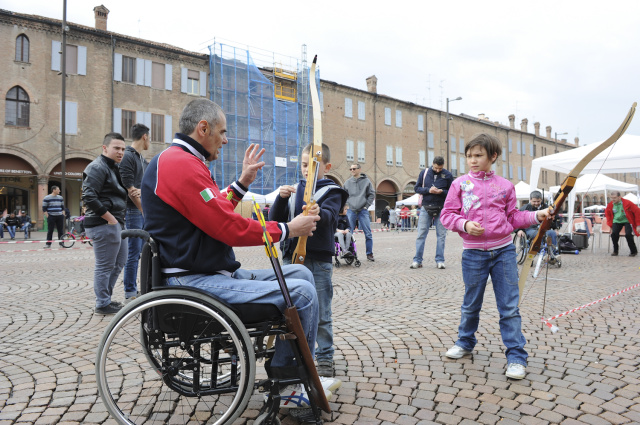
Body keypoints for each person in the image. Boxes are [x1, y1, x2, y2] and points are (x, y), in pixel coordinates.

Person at [141, 99, 341, 407]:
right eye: (221, 132)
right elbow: (226, 226)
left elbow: (215, 208)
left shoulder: (182, 161)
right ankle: (290, 386)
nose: (225, 139)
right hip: (194, 279)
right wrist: (288, 229)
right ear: (202, 128)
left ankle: (295, 372)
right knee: (301, 293)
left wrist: (243, 181)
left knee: (300, 273)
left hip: (204, 270)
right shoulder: (179, 164)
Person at [440, 133, 552, 380]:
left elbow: (513, 217)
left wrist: (537, 216)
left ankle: (516, 357)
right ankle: (465, 342)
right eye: (469, 156)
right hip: (473, 254)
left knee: (509, 307)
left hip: (504, 251)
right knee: (471, 304)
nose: (472, 160)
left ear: (493, 156)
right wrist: (465, 224)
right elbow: (446, 215)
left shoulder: (505, 186)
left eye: (478, 155)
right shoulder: (459, 184)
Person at [269, 142, 347, 378]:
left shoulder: (332, 191)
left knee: (322, 312)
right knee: (290, 311)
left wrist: (318, 212)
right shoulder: (294, 189)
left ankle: (324, 357)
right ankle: (296, 355)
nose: (307, 170)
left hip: (318, 260)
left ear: (327, 167)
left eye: (313, 166)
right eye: (304, 165)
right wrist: (281, 199)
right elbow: (275, 219)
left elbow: (331, 216)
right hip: (292, 258)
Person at [82, 133, 130, 315]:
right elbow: (88, 196)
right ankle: (102, 303)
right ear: (105, 148)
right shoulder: (97, 167)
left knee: (119, 262)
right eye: (116, 148)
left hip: (116, 222)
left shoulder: (113, 167)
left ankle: (106, 299)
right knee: (105, 265)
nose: (120, 152)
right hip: (104, 223)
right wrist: (110, 219)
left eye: (123, 149)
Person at [119, 123, 150, 303]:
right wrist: (144, 211)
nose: (149, 142)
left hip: (141, 210)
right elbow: (130, 190)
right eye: (149, 138)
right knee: (133, 252)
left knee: (143, 251)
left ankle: (141, 288)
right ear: (145, 136)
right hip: (134, 211)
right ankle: (130, 292)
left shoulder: (141, 159)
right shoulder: (128, 157)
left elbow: (140, 189)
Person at [411, 156, 453, 269]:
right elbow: (416, 188)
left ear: (443, 166)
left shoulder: (448, 175)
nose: (438, 170)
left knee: (441, 236)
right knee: (421, 234)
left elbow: (452, 192)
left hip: (441, 208)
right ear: (432, 164)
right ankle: (417, 260)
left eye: (440, 168)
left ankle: (440, 260)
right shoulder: (424, 173)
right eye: (436, 168)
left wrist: (441, 192)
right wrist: (429, 190)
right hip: (426, 207)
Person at [343, 164, 375, 261]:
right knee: (349, 232)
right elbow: (343, 195)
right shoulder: (347, 182)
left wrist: (366, 206)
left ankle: (369, 254)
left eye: (354, 168)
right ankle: (349, 253)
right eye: (350, 169)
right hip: (351, 210)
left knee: (368, 233)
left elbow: (371, 194)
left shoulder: (367, 181)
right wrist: (346, 205)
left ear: (359, 169)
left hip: (363, 210)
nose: (352, 170)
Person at [605, 191, 640, 257]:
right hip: (616, 221)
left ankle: (633, 251)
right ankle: (615, 250)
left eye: (614, 198)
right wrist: (610, 226)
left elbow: (637, 211)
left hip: (627, 221)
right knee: (614, 234)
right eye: (611, 198)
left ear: (619, 197)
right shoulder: (610, 205)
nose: (613, 199)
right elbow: (608, 215)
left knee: (628, 235)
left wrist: (638, 225)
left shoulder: (627, 203)